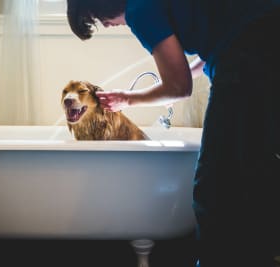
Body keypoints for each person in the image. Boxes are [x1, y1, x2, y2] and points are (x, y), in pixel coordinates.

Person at [66, 0, 280, 266]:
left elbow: (180, 87)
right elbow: (219, 37)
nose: (106, 26)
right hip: (267, 38)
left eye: (96, 19)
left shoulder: (138, 9)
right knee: (253, 170)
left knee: (216, 186)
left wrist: (128, 99)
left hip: (252, 58)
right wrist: (178, 75)